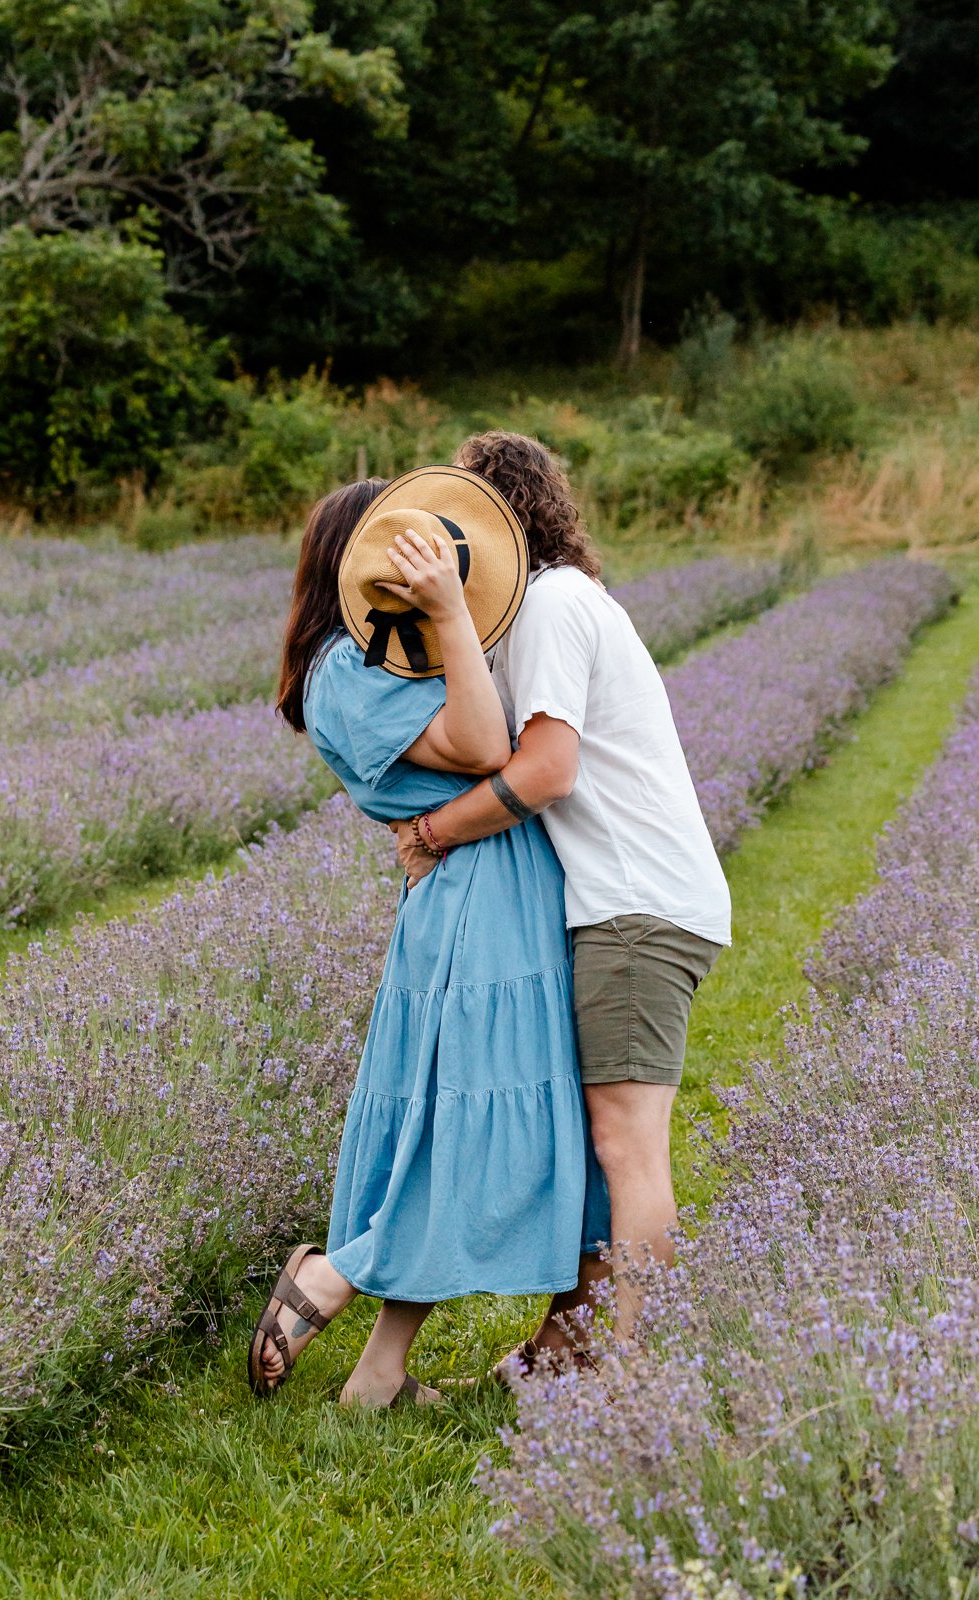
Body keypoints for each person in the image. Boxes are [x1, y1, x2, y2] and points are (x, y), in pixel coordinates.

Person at [249, 466, 609, 1408]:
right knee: (462, 1120)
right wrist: (451, 616)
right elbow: (490, 748)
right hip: (477, 906)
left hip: (481, 889)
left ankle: (378, 1375)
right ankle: (333, 1276)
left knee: (447, 1119)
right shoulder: (346, 676)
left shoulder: (373, 662)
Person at [393, 432, 731, 1355]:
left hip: (634, 906)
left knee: (625, 1145)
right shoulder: (555, 603)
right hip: (639, 901)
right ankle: (571, 1357)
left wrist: (433, 831)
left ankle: (634, 1381)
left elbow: (544, 771)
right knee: (609, 1141)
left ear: (498, 525)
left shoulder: (549, 605)